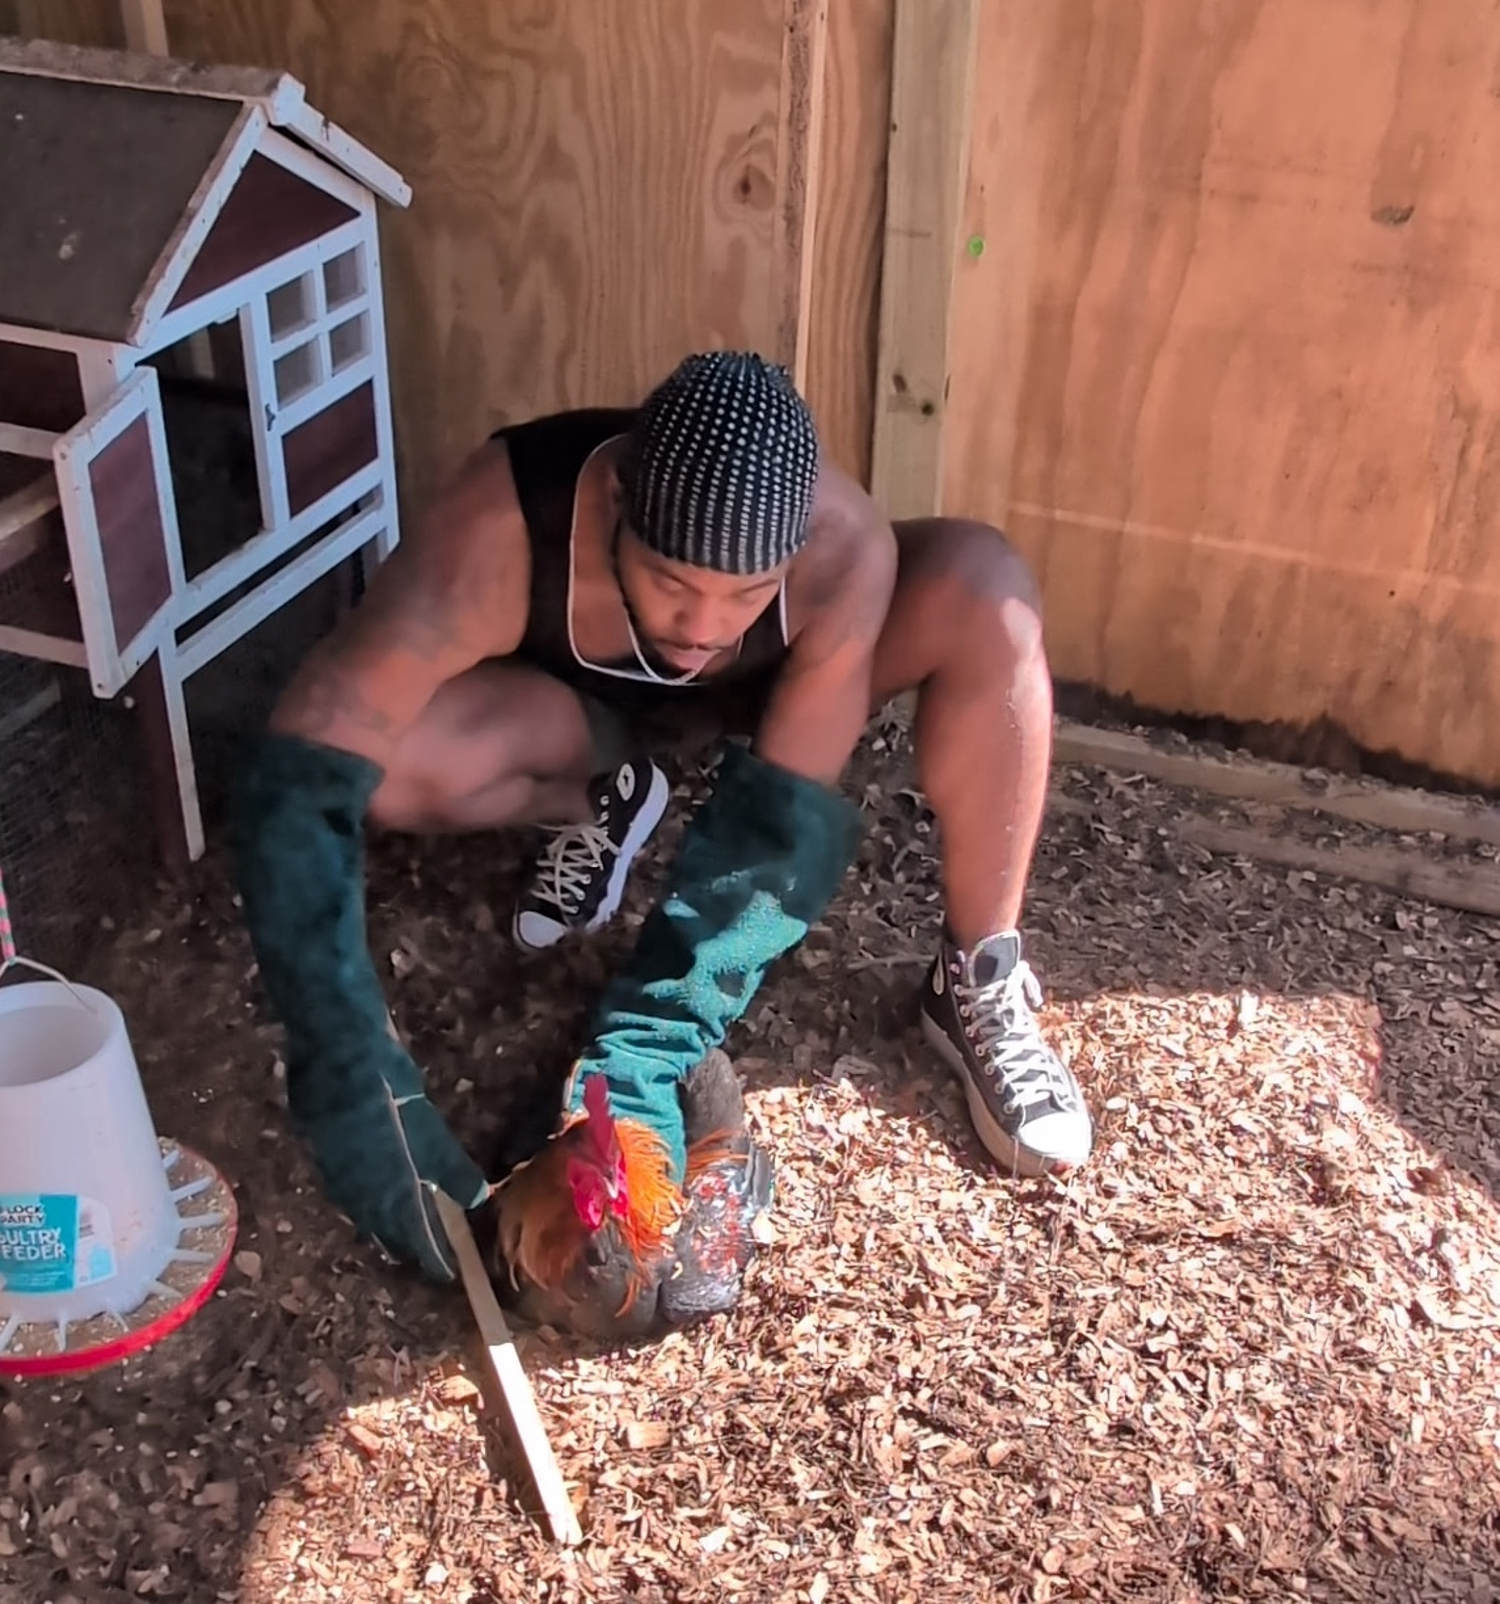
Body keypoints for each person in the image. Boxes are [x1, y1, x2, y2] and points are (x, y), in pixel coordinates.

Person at [232, 351, 1091, 1286]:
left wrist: (653, 1037)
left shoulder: (843, 552)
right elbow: (303, 774)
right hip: (572, 715)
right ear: (613, 511)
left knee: (987, 583)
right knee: (386, 770)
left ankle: (979, 976)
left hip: (759, 712)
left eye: (747, 595)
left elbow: (776, 833)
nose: (705, 627)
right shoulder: (498, 528)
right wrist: (352, 1076)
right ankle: (604, 799)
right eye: (673, 583)